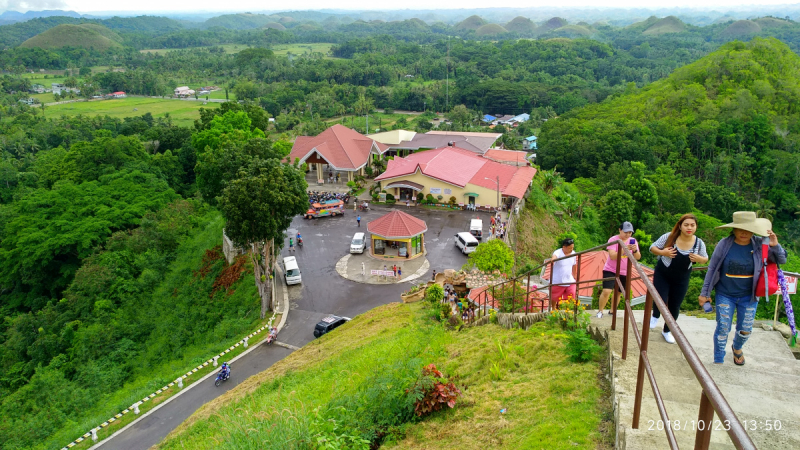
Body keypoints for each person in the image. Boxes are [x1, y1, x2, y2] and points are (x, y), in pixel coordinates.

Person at [699, 212, 787, 365]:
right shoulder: (724, 244)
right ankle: (718, 360)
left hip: (749, 296)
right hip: (725, 294)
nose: (744, 232)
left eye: (748, 229)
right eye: (740, 228)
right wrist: (704, 293)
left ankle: (737, 347)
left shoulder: (761, 244)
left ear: (754, 229)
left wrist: (775, 244)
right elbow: (712, 268)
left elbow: (782, 260)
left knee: (745, 330)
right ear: (733, 229)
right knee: (722, 329)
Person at [649, 214, 709, 343]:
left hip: (682, 278)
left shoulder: (698, 243)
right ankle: (655, 316)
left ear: (696, 227)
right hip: (663, 273)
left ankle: (667, 330)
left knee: (675, 306)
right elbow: (652, 247)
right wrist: (663, 252)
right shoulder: (670, 237)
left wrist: (699, 259)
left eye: (692, 225)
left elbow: (705, 258)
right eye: (686, 225)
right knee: (660, 297)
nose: (689, 228)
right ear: (680, 226)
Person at [597, 222, 642, 318]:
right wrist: (625, 249)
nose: (628, 234)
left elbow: (638, 257)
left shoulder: (633, 241)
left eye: (630, 232)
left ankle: (612, 311)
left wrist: (634, 250)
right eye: (626, 232)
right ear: (620, 230)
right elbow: (612, 256)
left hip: (625, 271)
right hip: (611, 269)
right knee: (606, 291)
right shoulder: (613, 239)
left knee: (618, 292)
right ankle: (600, 311)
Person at [550, 238, 578, 308]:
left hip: (569, 280)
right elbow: (554, 257)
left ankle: (569, 310)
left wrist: (574, 275)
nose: (571, 250)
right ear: (564, 247)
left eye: (572, 248)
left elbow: (574, 264)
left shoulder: (573, 253)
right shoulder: (558, 252)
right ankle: (553, 308)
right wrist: (553, 260)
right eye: (569, 248)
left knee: (571, 295)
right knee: (554, 297)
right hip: (558, 280)